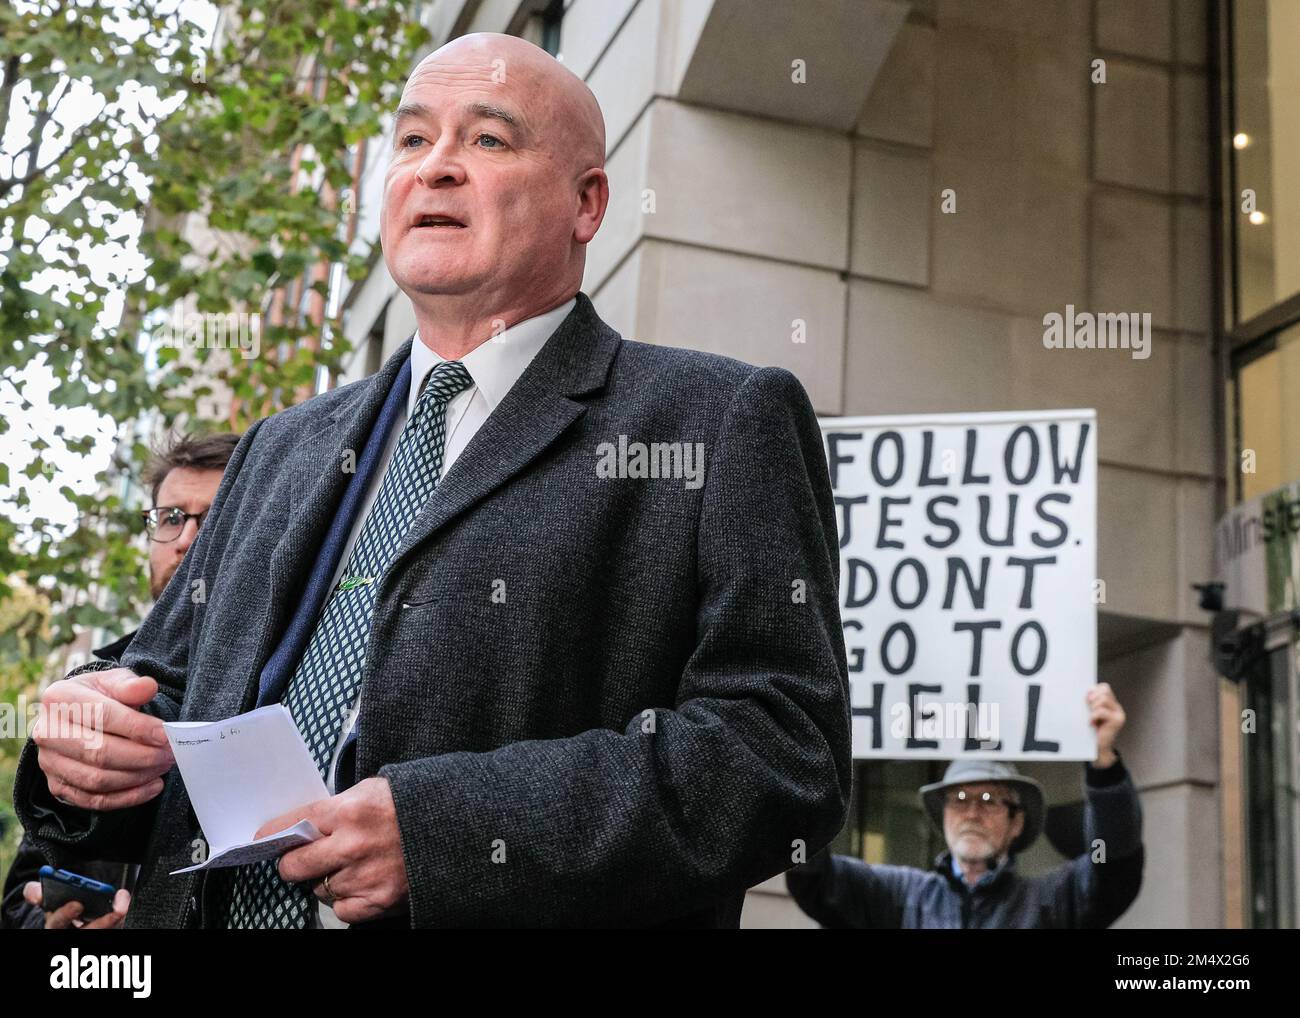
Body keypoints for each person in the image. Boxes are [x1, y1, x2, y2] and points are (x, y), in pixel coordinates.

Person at [14, 32, 851, 929]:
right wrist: (91, 739)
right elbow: (164, 684)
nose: (436, 167)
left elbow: (782, 753)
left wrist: (445, 831)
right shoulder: (281, 446)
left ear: (588, 201)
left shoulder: (717, 418)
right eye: (413, 141)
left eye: (488, 140)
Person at [1, 432, 239, 929]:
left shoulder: (290, 681)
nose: (187, 540)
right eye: (171, 518)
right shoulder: (100, 685)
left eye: (215, 519)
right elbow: (19, 897)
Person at [786, 683, 1144, 928]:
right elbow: (812, 879)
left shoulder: (1051, 901)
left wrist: (1103, 763)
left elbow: (1115, 869)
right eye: (958, 800)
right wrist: (808, 758)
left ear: (1016, 822)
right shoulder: (899, 897)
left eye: (989, 800)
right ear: (942, 816)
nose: (972, 812)